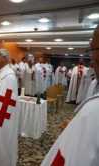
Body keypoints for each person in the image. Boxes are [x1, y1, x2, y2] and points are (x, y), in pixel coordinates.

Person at [41, 25, 99, 166]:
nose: (90, 61)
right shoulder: (73, 70)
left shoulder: (93, 110)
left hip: (81, 84)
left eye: (92, 50)